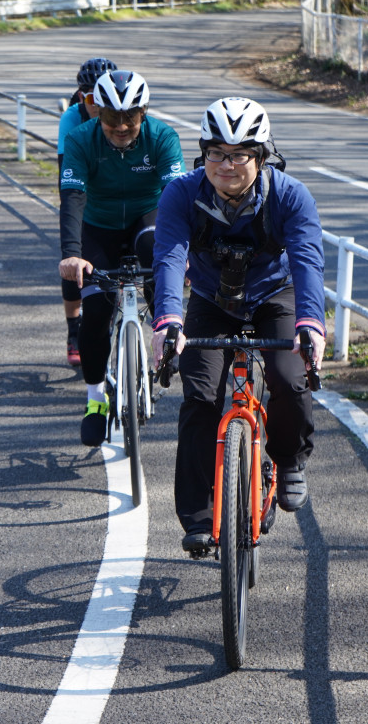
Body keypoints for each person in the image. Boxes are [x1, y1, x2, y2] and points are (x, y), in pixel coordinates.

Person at [151, 97, 325, 554]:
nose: (226, 165)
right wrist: (166, 320)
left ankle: (287, 459)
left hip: (274, 296)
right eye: (216, 153)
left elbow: (308, 262)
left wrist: (311, 324)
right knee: (200, 397)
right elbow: (168, 257)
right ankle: (199, 514)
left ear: (262, 155)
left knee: (290, 379)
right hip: (210, 301)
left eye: (240, 154)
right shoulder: (182, 194)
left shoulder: (290, 196)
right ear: (203, 153)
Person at [59, 70, 186, 447]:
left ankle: (164, 334)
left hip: (147, 219)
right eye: (111, 118)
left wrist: (185, 252)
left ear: (143, 112)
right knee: (96, 313)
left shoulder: (162, 137)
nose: (120, 126)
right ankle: (95, 398)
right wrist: (71, 254)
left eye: (129, 117)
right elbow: (72, 199)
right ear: (97, 112)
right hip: (98, 227)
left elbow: (176, 196)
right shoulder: (80, 139)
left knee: (158, 254)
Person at [57, 57, 118, 368]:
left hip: (115, 197)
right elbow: (65, 177)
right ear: (81, 97)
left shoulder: (123, 115)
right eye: (91, 98)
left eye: (103, 96)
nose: (97, 104)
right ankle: (73, 330)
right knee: (75, 265)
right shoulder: (72, 118)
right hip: (84, 192)